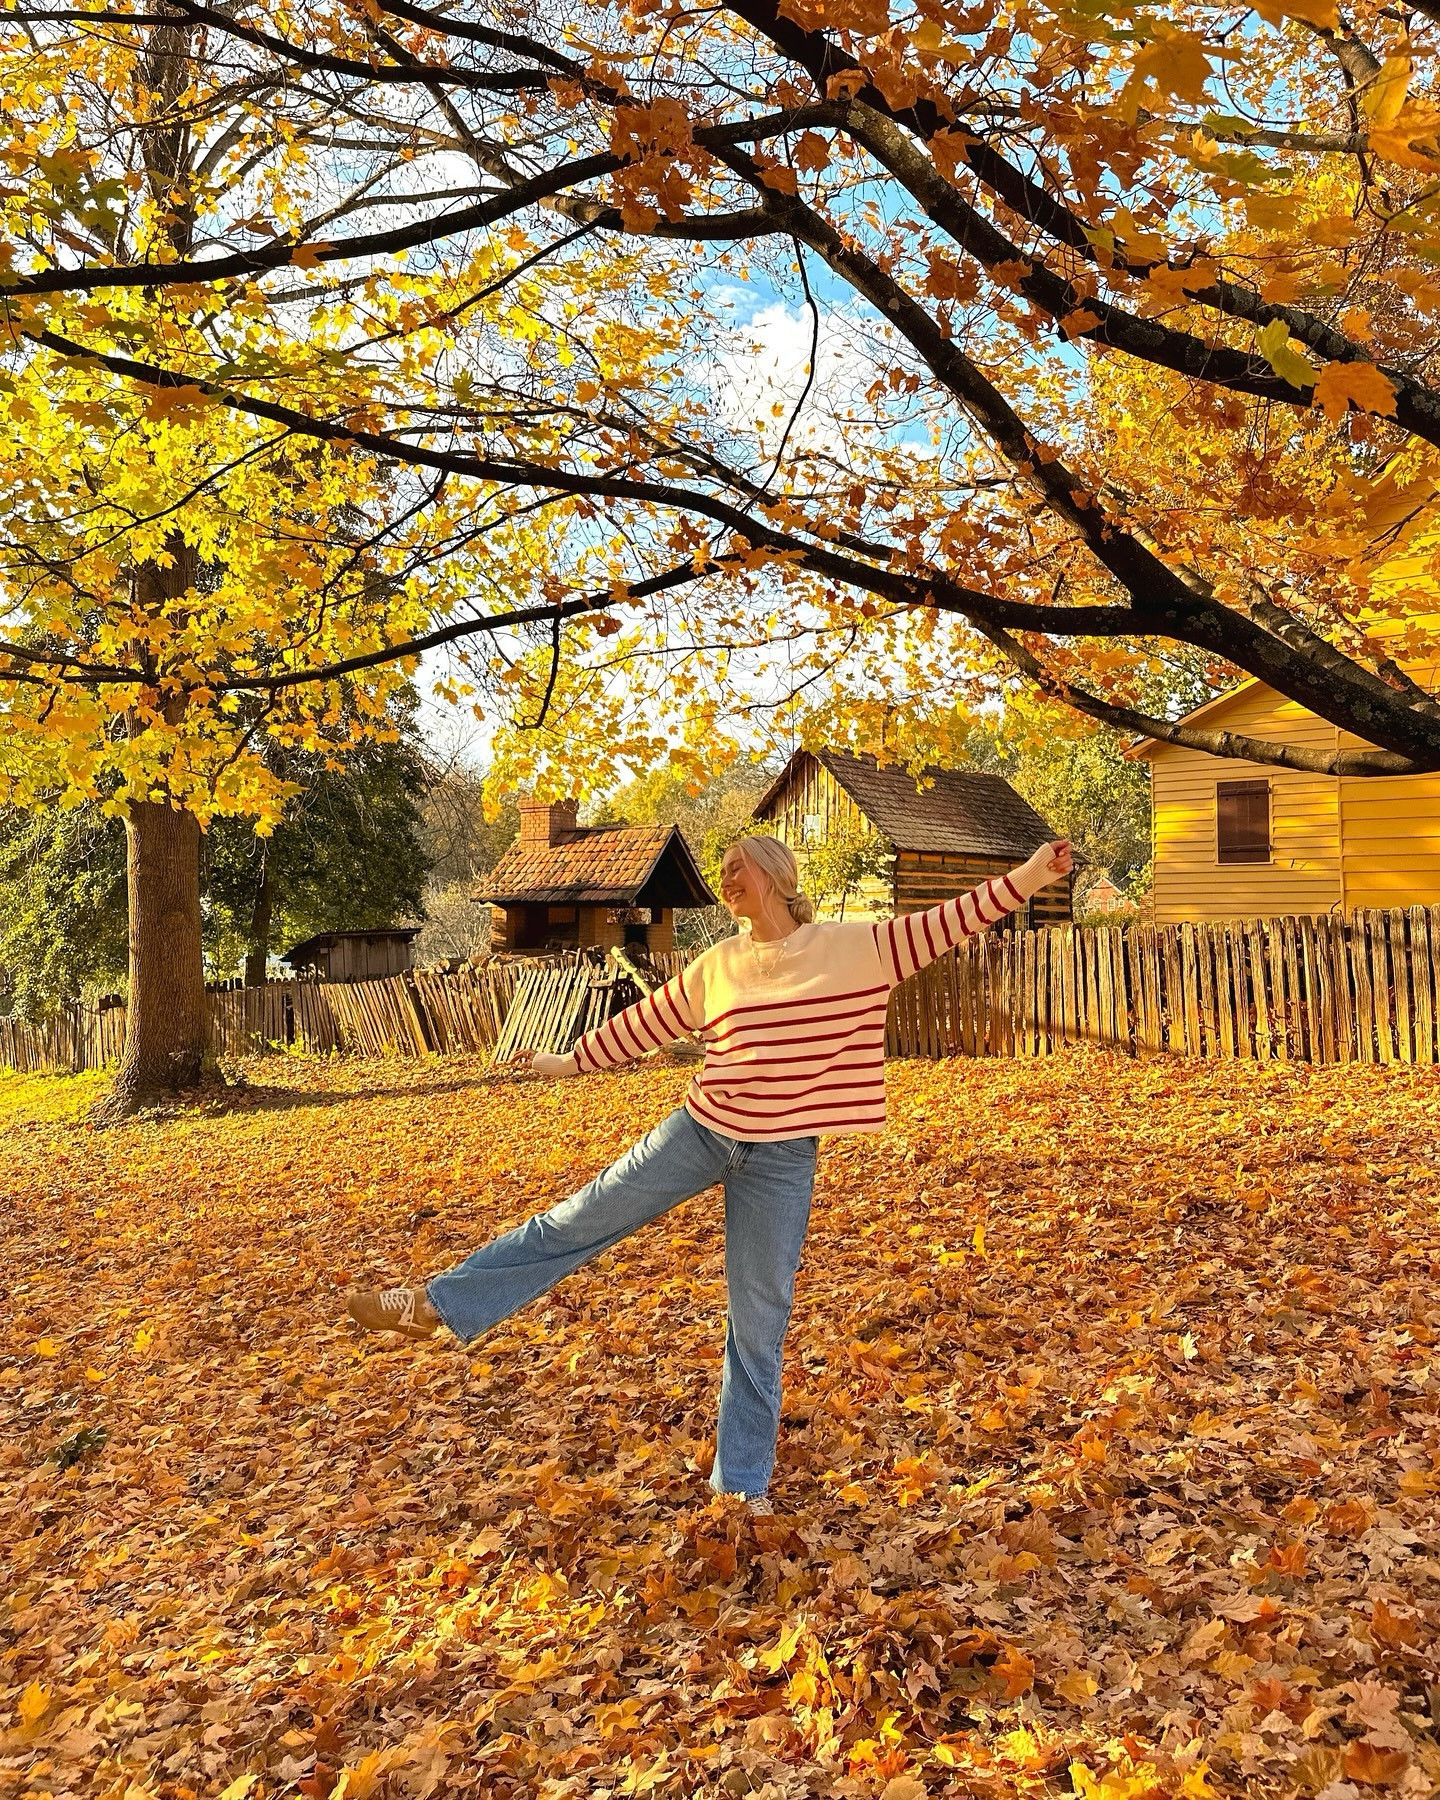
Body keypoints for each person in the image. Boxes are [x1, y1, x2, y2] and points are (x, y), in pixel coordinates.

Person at [346, 832, 1073, 1511]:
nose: (727, 875)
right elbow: (649, 1021)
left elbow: (954, 918)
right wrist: (569, 1061)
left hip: (782, 1159)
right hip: (699, 1132)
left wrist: (1035, 873)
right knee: (575, 1220)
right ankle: (438, 1304)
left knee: (759, 1323)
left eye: (739, 863)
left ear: (779, 877)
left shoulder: (860, 949)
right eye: (722, 867)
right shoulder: (718, 962)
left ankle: (740, 1491)